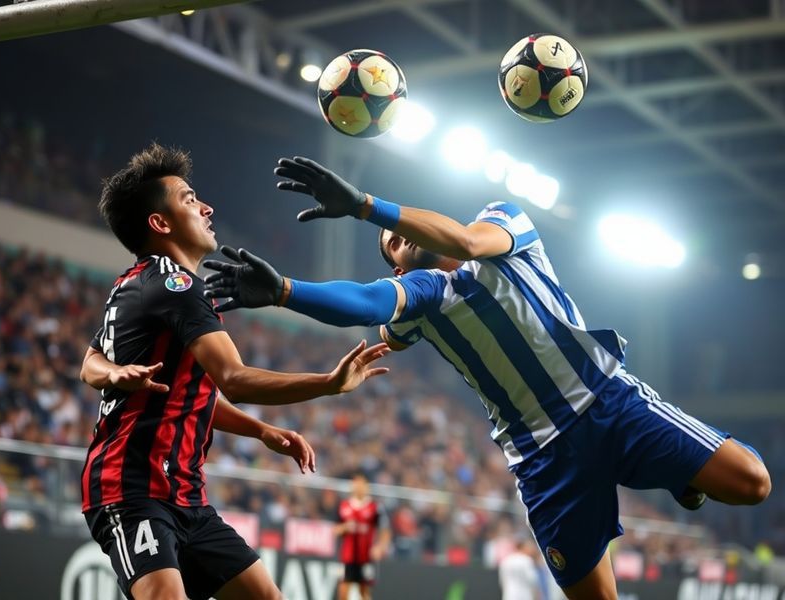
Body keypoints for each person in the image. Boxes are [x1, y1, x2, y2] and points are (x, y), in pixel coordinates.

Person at [202, 156, 772, 600]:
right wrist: (284, 291)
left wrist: (366, 206)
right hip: (543, 462)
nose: (396, 240)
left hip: (607, 401)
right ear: (400, 267)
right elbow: (366, 302)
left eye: (400, 229)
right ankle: (678, 474)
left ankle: (681, 474)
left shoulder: (503, 224)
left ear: (429, 220)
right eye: (390, 247)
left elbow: (469, 242)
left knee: (753, 484)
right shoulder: (422, 300)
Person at [79, 144, 390, 600]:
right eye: (188, 199)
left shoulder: (133, 282)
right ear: (160, 223)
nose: (206, 207)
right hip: (131, 487)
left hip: (184, 493)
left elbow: (93, 363)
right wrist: (329, 383)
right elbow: (235, 380)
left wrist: (260, 430)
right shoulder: (177, 285)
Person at [333, 473, 390, 600]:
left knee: (364, 592)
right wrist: (344, 528)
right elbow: (335, 530)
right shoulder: (344, 506)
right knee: (343, 592)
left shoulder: (375, 507)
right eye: (355, 483)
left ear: (366, 486)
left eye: (361, 484)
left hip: (366, 557)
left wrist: (380, 547)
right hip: (346, 557)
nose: (358, 487)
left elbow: (385, 530)